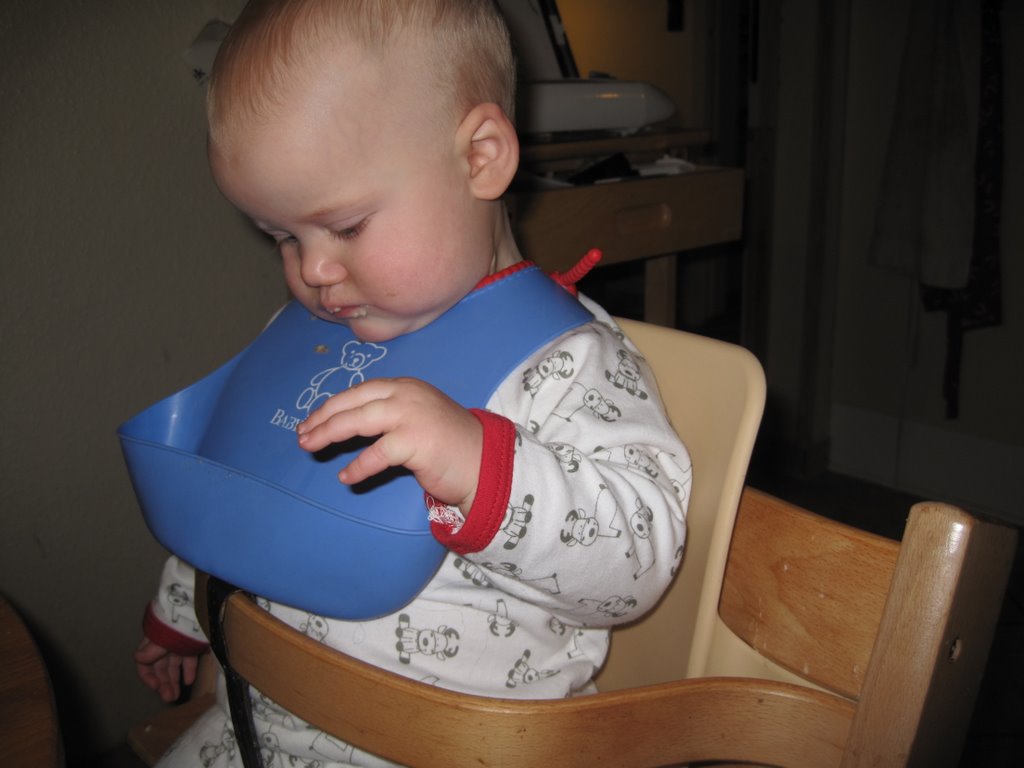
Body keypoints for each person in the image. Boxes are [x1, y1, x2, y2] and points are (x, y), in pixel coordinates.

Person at [132, 1, 692, 765]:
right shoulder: (308, 336)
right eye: (282, 237)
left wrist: (479, 468)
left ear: (481, 157)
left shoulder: (566, 365)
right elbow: (244, 481)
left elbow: (638, 566)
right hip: (254, 728)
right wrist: (182, 612)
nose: (313, 270)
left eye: (347, 227)